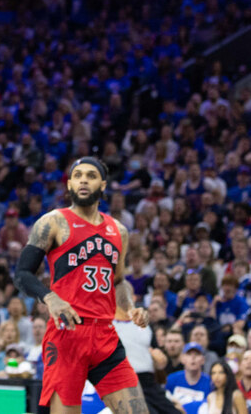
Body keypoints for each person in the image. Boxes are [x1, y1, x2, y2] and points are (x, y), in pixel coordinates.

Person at [13, 157, 149, 414]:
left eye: (91, 175)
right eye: (77, 175)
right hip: (67, 335)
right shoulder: (53, 222)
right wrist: (50, 298)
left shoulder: (119, 231)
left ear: (103, 185)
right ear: (70, 184)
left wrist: (131, 308)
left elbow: (118, 283)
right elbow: (22, 273)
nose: (83, 179)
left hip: (105, 337)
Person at [114, 305, 179, 413]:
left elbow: (158, 356)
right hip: (125, 381)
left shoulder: (146, 326)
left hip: (148, 380)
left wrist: (160, 361)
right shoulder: (108, 323)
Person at [166, 343, 213, 414]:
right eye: (189, 354)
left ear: (203, 360)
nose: (193, 357)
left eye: (197, 354)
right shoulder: (171, 379)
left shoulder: (210, 383)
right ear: (182, 359)